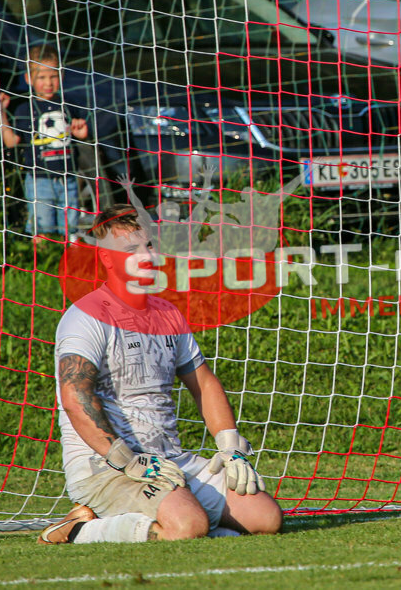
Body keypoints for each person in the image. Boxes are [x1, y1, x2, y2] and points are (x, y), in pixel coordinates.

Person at [38, 204, 283, 544]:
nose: (146, 256)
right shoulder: (85, 317)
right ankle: (76, 529)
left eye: (148, 245)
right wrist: (126, 459)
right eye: (130, 250)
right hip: (108, 465)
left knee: (266, 518)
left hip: (168, 460)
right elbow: (76, 399)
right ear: (107, 259)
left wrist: (230, 446)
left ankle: (177, 516)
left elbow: (204, 383)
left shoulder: (167, 314)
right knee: (187, 527)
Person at [0, 45, 89, 239]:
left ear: (61, 76)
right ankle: (43, 263)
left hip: (68, 178)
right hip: (39, 180)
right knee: (42, 231)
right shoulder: (24, 110)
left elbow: (79, 135)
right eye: (41, 78)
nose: (48, 83)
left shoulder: (69, 106)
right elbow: (10, 142)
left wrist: (82, 132)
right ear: (29, 79)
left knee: (71, 231)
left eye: (53, 76)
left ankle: (69, 263)